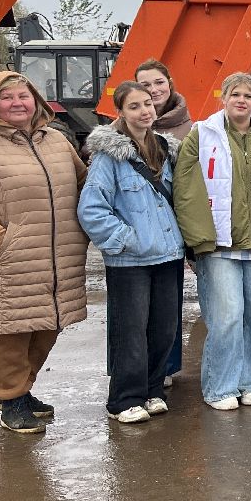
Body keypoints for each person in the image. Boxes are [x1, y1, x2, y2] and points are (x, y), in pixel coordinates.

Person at [0, 71, 88, 434]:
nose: (17, 104)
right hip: (8, 259)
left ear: (35, 101)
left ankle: (17, 390)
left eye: (23, 97)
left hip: (58, 257)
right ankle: (10, 398)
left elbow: (83, 181)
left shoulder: (56, 140)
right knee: (10, 332)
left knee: (48, 325)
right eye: (6, 98)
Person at [174, 72, 251, 411]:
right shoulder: (202, 135)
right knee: (226, 317)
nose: (242, 100)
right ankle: (221, 386)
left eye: (248, 95)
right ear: (223, 98)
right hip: (219, 245)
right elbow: (185, 190)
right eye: (235, 94)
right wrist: (197, 239)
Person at [78, 81, 186, 424]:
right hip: (131, 260)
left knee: (164, 329)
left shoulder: (165, 150)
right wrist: (127, 239)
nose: (145, 111)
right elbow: (92, 209)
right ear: (121, 113)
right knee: (132, 331)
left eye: (149, 104)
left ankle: (154, 390)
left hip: (168, 255)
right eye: (135, 106)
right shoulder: (108, 157)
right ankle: (125, 398)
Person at [135, 57, 192, 388]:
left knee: (169, 304)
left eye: (158, 82)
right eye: (144, 85)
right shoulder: (122, 129)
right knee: (136, 308)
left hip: (175, 229)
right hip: (138, 234)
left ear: (170, 83)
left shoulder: (191, 128)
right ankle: (134, 368)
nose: (153, 90)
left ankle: (166, 367)